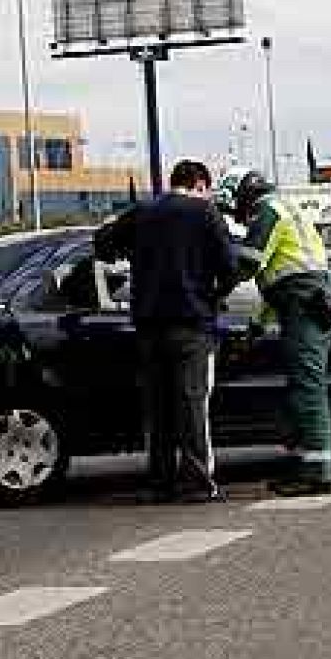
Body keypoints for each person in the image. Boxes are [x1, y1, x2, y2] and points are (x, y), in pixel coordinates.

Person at [95, 159, 237, 503]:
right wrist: (212, 295)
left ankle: (161, 482)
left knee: (158, 407)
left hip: (149, 323)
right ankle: (197, 482)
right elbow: (230, 268)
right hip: (192, 322)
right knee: (191, 405)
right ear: (200, 185)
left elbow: (103, 244)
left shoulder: (142, 212)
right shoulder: (205, 213)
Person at [218, 166, 331, 498]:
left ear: (245, 195)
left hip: (304, 304)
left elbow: (249, 263)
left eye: (235, 207)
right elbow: (278, 286)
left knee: (308, 389)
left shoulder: (267, 211)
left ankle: (318, 474)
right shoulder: (285, 209)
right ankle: (303, 468)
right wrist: (256, 328)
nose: (238, 216)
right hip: (304, 302)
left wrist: (214, 290)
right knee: (301, 389)